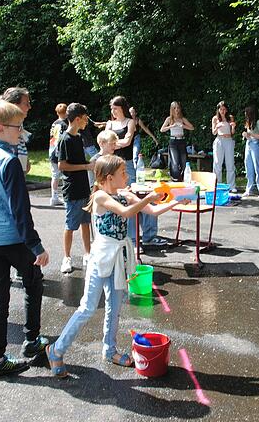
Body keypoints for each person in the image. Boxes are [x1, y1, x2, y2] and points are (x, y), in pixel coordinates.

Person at [45, 154, 188, 377]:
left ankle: (109, 350)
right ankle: (56, 350)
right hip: (101, 258)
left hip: (118, 259)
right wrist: (148, 197)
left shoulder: (123, 193)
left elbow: (152, 211)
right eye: (123, 173)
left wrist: (178, 200)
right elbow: (125, 213)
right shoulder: (101, 196)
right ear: (109, 178)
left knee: (115, 305)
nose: (127, 175)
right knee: (87, 308)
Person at [0, 99, 50, 379]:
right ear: (1, 128)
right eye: (18, 128)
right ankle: (31, 341)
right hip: (14, 240)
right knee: (33, 284)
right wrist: (35, 245)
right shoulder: (9, 161)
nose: (21, 133)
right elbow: (20, 210)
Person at [106, 96, 165, 245]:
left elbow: (127, 142)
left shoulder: (130, 122)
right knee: (120, 199)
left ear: (122, 108)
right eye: (111, 108)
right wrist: (115, 144)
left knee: (133, 198)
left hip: (127, 164)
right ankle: (130, 237)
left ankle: (142, 237)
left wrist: (113, 144)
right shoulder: (109, 123)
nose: (113, 111)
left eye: (115, 108)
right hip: (111, 165)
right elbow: (105, 141)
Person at [57, 103, 94, 274]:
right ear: (77, 119)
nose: (87, 122)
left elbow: (81, 162)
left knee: (86, 222)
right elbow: (62, 165)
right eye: (85, 119)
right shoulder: (65, 139)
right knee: (71, 225)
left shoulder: (79, 138)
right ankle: (67, 257)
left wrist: (90, 165)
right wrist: (85, 167)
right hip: (72, 189)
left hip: (83, 187)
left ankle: (88, 253)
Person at [160, 101, 195, 181]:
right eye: (174, 108)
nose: (177, 110)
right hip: (173, 142)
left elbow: (192, 127)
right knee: (175, 162)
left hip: (182, 141)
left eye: (178, 108)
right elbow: (162, 130)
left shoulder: (182, 119)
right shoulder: (169, 119)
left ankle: (183, 178)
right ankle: (175, 179)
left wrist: (183, 126)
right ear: (172, 109)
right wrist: (171, 126)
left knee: (184, 162)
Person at [241, 106, 259, 198]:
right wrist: (246, 135)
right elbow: (250, 135)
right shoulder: (248, 123)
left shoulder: (258, 122)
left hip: (256, 145)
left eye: (246, 113)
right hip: (249, 144)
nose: (245, 115)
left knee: (258, 167)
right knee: (248, 167)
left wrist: (250, 134)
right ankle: (249, 189)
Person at [212, 101, 237, 192]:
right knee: (217, 163)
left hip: (228, 140)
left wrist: (233, 127)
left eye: (224, 109)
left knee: (230, 163)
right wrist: (217, 127)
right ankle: (217, 185)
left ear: (226, 110)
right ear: (218, 110)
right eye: (221, 109)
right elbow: (213, 132)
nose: (222, 111)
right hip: (219, 140)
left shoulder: (230, 118)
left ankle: (231, 186)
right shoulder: (215, 118)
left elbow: (232, 133)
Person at [48, 103, 68, 206]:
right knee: (64, 174)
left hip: (52, 151)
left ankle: (54, 196)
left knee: (55, 175)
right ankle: (64, 195)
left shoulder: (54, 123)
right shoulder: (65, 125)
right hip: (60, 153)